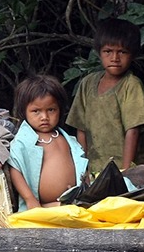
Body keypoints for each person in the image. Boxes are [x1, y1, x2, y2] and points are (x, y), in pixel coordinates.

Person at [66, 18, 144, 174]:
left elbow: (132, 131)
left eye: (122, 52)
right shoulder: (87, 83)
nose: (115, 58)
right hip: (95, 169)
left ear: (132, 55)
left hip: (129, 170)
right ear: (99, 52)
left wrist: (126, 172)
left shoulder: (131, 84)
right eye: (108, 51)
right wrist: (83, 168)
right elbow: (81, 129)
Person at [7, 74, 89, 210]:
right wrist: (29, 199)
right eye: (36, 111)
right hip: (40, 206)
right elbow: (15, 169)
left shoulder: (67, 139)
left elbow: (81, 164)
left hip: (74, 201)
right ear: (24, 111)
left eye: (51, 110)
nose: (44, 117)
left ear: (60, 109)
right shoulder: (24, 141)